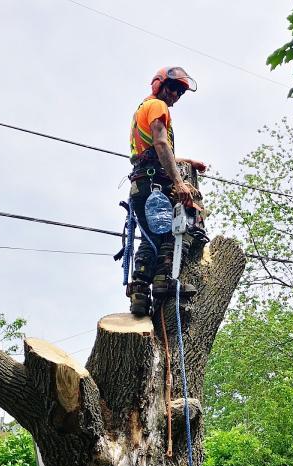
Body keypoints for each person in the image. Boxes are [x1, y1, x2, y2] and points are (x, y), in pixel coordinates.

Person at [127, 66, 207, 316]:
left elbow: (153, 150)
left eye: (180, 92)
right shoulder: (158, 107)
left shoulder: (142, 109)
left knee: (150, 238)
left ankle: (139, 292)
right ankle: (163, 281)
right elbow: (161, 144)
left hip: (141, 185)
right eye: (173, 88)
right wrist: (179, 182)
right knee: (178, 230)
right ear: (159, 85)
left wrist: (187, 162)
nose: (175, 95)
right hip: (156, 186)